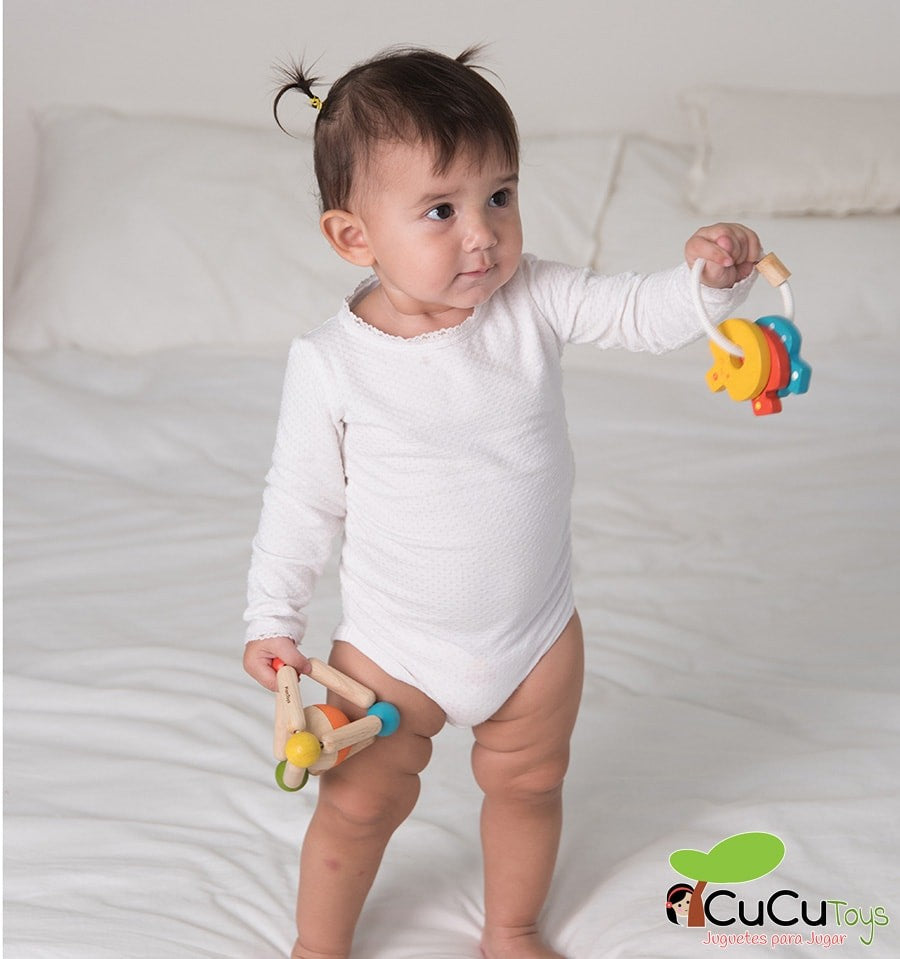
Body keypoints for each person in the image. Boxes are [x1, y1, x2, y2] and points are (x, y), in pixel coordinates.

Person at [243, 45, 761, 959]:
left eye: (500, 196)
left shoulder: (534, 297)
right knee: (358, 804)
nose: (482, 234)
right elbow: (301, 500)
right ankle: (318, 946)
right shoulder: (333, 362)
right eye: (441, 210)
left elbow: (635, 314)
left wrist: (708, 285)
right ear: (354, 237)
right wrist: (271, 618)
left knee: (529, 786)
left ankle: (510, 928)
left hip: (534, 637)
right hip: (395, 649)